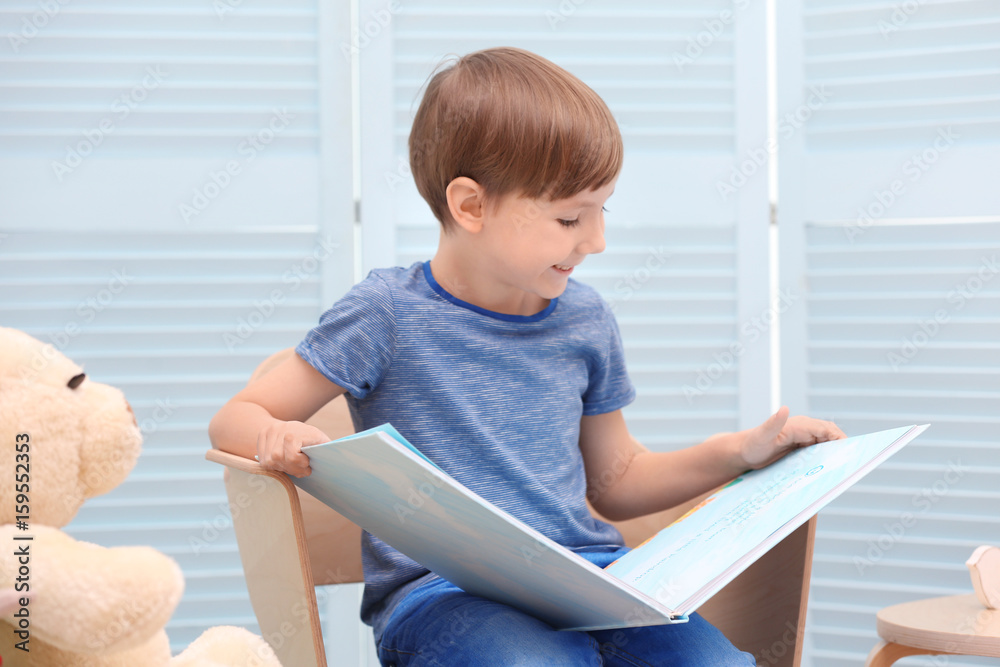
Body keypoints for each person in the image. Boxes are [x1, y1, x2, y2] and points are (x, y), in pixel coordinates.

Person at [209, 46, 845, 666]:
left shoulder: (585, 318)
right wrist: (273, 434)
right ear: (471, 206)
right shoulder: (386, 313)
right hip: (444, 598)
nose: (596, 240)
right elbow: (236, 417)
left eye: (601, 210)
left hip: (596, 579)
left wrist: (741, 453)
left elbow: (618, 481)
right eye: (570, 220)